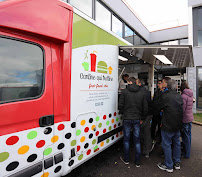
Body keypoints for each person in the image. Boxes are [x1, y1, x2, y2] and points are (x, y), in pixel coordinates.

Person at [155, 78, 183, 173]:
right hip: (177, 124)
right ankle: (177, 163)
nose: (161, 83)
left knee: (166, 145)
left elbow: (157, 107)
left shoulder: (165, 96)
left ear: (167, 85)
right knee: (176, 143)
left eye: (162, 82)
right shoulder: (179, 96)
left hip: (167, 124)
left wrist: (162, 110)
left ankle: (169, 165)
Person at [118, 77, 148, 167]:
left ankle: (126, 159)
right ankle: (137, 161)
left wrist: (124, 113)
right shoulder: (142, 93)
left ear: (130, 82)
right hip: (137, 119)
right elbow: (145, 108)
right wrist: (142, 118)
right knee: (137, 140)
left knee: (126, 140)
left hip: (127, 118)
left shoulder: (124, 92)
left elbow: (120, 106)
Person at [136, 78, 152, 158]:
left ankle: (145, 150)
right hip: (148, 115)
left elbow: (144, 107)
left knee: (144, 133)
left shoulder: (140, 92)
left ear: (139, 84)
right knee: (146, 133)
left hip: (143, 116)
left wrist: (141, 118)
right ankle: (147, 150)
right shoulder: (146, 91)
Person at [180, 81, 194, 158]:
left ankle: (186, 154)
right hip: (190, 117)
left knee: (185, 137)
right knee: (189, 135)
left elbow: (183, 109)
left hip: (185, 119)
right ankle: (188, 151)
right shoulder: (191, 95)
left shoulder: (183, 96)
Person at [151, 80, 164, 144]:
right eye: (158, 83)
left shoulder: (164, 92)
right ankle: (152, 137)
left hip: (160, 113)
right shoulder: (156, 92)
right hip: (155, 112)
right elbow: (154, 101)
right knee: (153, 126)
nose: (158, 85)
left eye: (159, 83)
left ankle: (159, 139)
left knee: (160, 127)